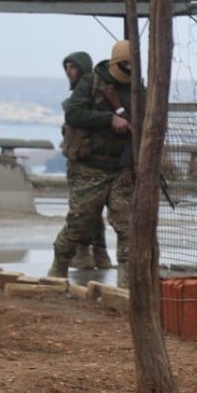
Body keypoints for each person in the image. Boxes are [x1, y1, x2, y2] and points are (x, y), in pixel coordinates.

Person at [49, 40, 135, 287]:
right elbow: (73, 114)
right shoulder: (92, 83)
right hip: (91, 167)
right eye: (126, 65)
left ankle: (127, 285)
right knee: (79, 222)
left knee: (126, 227)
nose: (130, 69)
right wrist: (109, 120)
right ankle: (59, 268)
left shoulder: (137, 88)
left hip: (121, 168)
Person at [59, 52, 114, 271]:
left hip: (90, 163)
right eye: (67, 67)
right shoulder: (80, 96)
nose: (69, 72)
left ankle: (86, 252)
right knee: (91, 211)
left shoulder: (90, 96)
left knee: (83, 211)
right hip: (81, 159)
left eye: (73, 67)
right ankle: (98, 254)